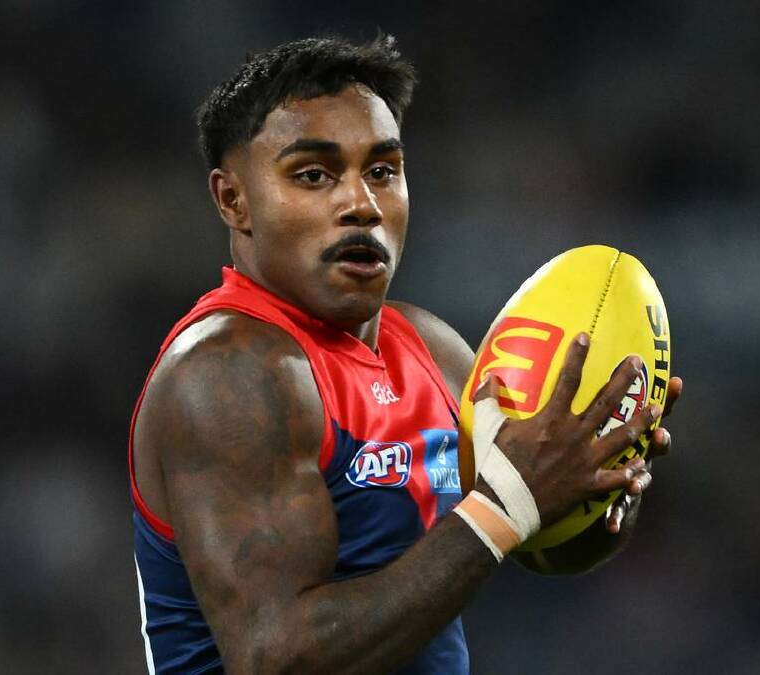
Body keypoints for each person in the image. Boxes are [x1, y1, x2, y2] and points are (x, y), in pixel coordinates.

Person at [128, 34, 683, 674]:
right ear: (234, 200)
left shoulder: (434, 351)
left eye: (383, 171)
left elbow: (539, 548)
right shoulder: (227, 375)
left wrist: (597, 484)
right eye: (314, 175)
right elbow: (277, 658)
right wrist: (506, 505)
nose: (360, 204)